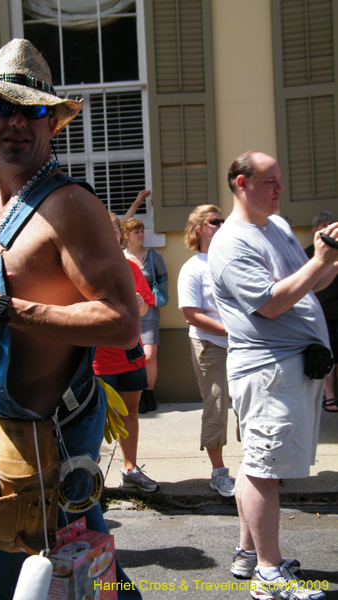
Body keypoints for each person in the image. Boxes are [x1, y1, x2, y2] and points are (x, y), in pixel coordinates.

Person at [0, 38, 142, 600]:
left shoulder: (70, 205)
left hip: (58, 440)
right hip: (10, 434)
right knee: (80, 574)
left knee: (36, 579)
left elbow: (122, 321)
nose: (17, 121)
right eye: (3, 106)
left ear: (54, 125)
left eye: (34, 110)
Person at [208, 150, 338, 600]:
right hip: (267, 372)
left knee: (258, 465)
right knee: (265, 470)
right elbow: (270, 303)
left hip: (289, 369)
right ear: (241, 184)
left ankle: (248, 554)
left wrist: (331, 260)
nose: (280, 188)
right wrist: (319, 261)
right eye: (269, 181)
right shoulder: (230, 243)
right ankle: (268, 572)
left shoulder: (277, 227)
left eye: (280, 179)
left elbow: (309, 281)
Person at [93, 213, 158, 492]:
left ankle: (130, 469)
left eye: (114, 231)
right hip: (97, 359)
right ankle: (89, 475)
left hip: (130, 354)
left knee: (131, 411)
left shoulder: (130, 268)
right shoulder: (85, 268)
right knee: (94, 418)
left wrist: (137, 304)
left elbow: (145, 308)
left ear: (120, 235)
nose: (111, 236)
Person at [178, 204, 235, 497]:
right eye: (215, 221)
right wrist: (229, 330)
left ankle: (256, 469)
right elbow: (191, 314)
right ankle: (218, 473)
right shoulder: (193, 268)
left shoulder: (231, 261)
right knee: (216, 405)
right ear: (200, 229)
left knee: (249, 406)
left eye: (224, 220)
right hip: (210, 345)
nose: (222, 224)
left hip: (242, 346)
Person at [122, 217, 168, 413]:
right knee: (132, 355)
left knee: (149, 356)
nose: (141, 235)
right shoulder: (120, 257)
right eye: (136, 232)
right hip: (127, 312)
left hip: (149, 311)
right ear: (126, 236)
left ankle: (149, 392)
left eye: (142, 231)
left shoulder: (152, 255)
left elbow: (163, 277)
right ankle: (138, 394)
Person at [304, 210, 338, 412]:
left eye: (332, 224)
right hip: (322, 313)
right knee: (328, 355)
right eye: (323, 225)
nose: (328, 229)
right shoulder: (308, 253)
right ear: (315, 229)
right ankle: (330, 395)